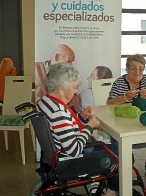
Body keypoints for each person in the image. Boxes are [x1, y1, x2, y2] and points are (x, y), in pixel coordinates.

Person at [37, 63, 118, 196]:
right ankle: (111, 192)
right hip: (70, 161)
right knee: (121, 154)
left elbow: (64, 129)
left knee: (112, 148)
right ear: (62, 89)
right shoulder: (59, 111)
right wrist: (89, 127)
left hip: (54, 156)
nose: (76, 92)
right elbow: (74, 150)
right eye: (74, 87)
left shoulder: (45, 101)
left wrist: (81, 117)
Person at [107, 54, 146, 178]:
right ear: (127, 68)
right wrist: (125, 98)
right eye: (133, 68)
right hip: (122, 125)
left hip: (142, 122)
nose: (137, 72)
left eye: (141, 68)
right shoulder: (119, 83)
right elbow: (109, 102)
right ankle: (123, 170)